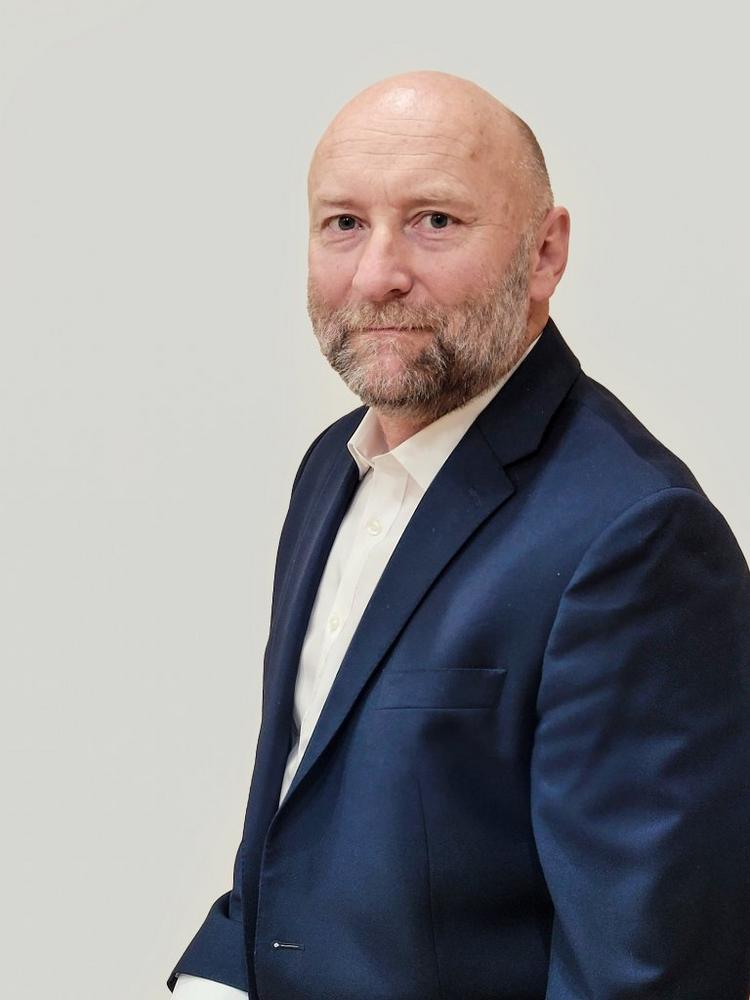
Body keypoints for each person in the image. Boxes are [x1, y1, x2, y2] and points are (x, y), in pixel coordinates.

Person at [167, 71, 750, 999]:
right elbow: (298, 829)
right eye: (343, 223)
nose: (377, 274)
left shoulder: (637, 536)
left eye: (434, 220)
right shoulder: (332, 468)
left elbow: (644, 974)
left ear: (545, 252)